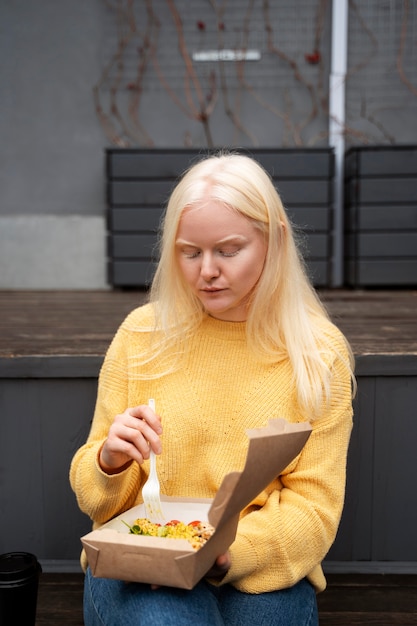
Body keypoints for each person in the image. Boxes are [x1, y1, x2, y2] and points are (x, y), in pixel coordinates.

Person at [70, 151, 355, 626]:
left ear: (275, 241)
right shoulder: (142, 336)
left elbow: (315, 508)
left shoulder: (317, 353)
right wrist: (109, 461)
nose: (207, 271)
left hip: (261, 557)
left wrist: (224, 551)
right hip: (141, 561)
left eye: (227, 250)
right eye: (190, 251)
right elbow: (95, 501)